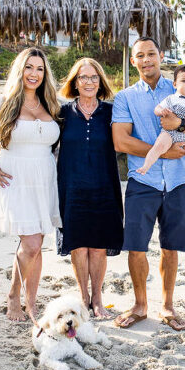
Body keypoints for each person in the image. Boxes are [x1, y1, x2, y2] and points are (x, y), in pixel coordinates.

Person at [111, 37, 185, 331]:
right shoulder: (125, 97)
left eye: (151, 54)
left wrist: (179, 126)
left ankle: (168, 306)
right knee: (136, 248)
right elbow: (121, 141)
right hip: (143, 180)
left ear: (161, 56)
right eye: (140, 56)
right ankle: (140, 305)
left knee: (171, 248)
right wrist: (163, 152)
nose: (146, 60)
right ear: (133, 61)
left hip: (180, 181)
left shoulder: (181, 88)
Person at [0, 47, 62, 322]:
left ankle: (31, 303)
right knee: (30, 244)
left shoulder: (51, 104)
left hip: (45, 179)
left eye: (40, 69)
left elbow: (58, 145)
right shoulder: (2, 102)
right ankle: (13, 296)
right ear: (20, 70)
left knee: (37, 242)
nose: (34, 74)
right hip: (14, 179)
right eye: (29, 67)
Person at [56, 58, 123, 318]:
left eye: (94, 77)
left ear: (101, 81)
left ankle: (97, 296)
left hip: (103, 186)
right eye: (83, 77)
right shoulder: (61, 113)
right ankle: (82, 295)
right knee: (78, 244)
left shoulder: (111, 112)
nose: (89, 82)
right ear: (74, 82)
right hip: (71, 187)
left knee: (97, 245)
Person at [135, 64, 185, 186]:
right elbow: (157, 108)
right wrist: (161, 111)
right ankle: (146, 166)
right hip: (169, 133)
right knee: (159, 146)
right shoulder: (171, 99)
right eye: (184, 81)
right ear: (175, 84)